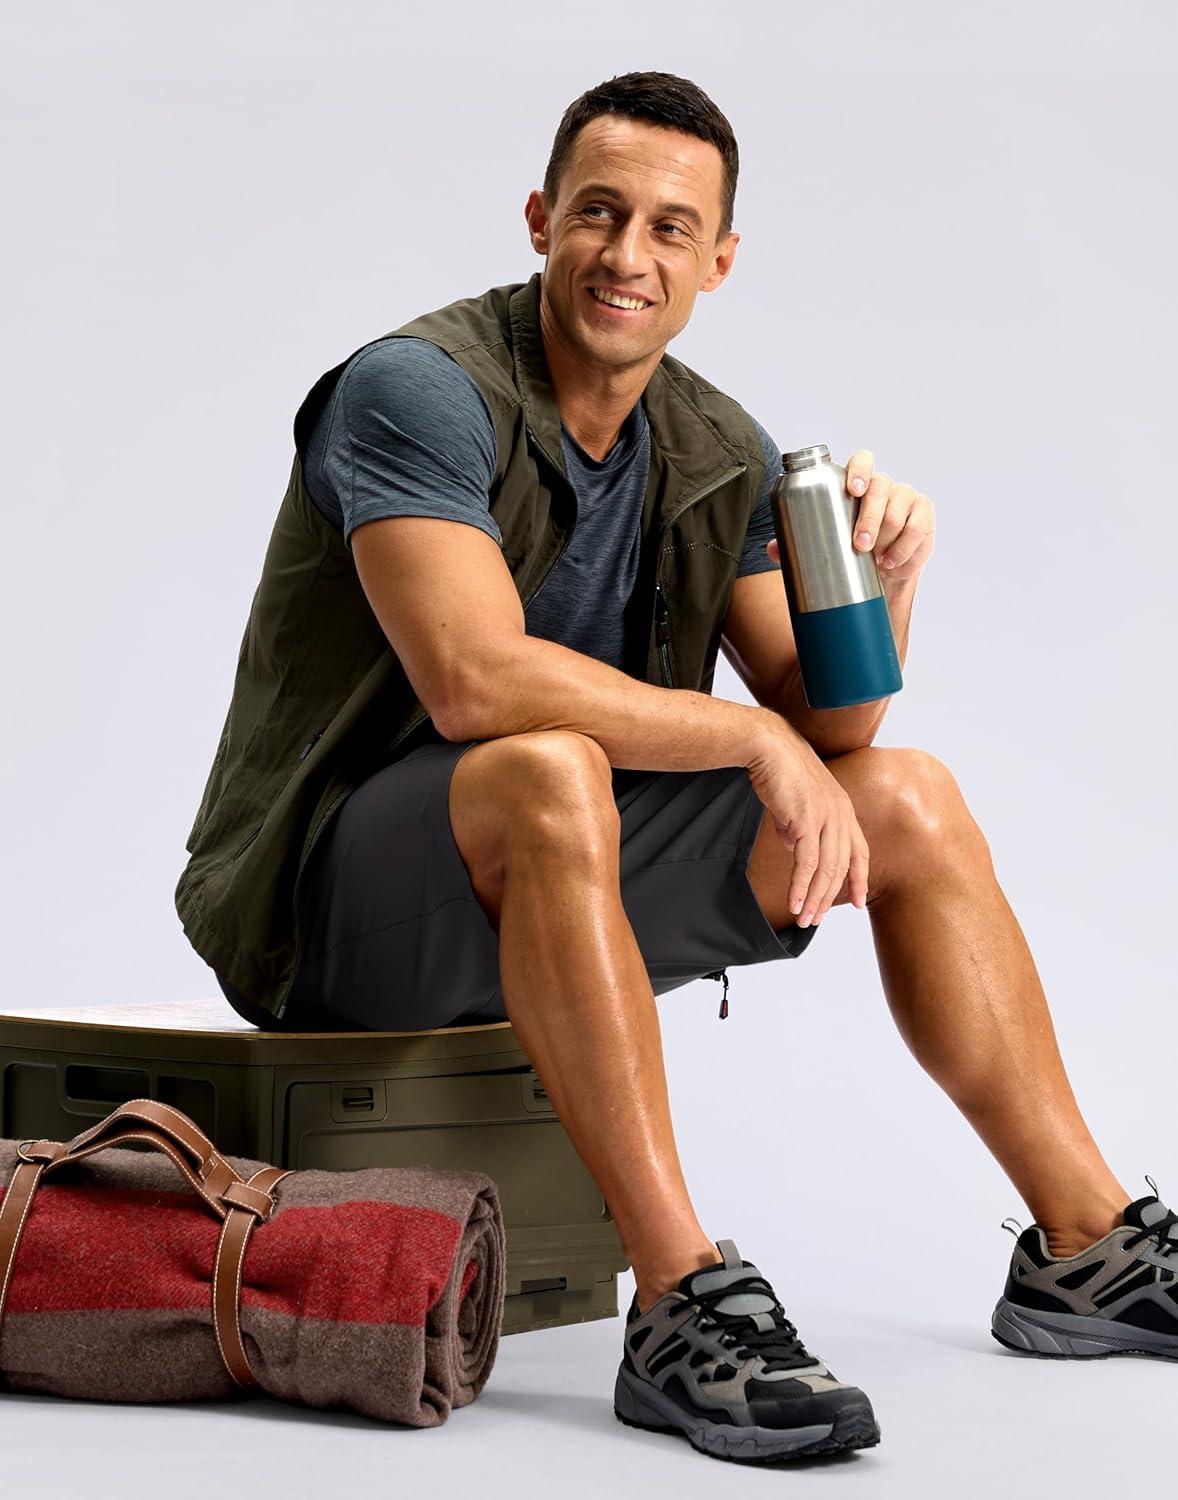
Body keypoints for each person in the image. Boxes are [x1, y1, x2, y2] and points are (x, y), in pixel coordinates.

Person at [178, 71, 1175, 1466]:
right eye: (598, 213)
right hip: (327, 902)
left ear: (719, 261)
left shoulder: (716, 444)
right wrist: (749, 736)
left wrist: (884, 589)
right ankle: (676, 1299)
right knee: (545, 767)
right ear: (541, 220)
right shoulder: (415, 390)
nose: (626, 255)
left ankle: (1087, 1248)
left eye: (669, 227)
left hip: (556, 874)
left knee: (910, 799)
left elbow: (835, 738)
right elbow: (473, 680)